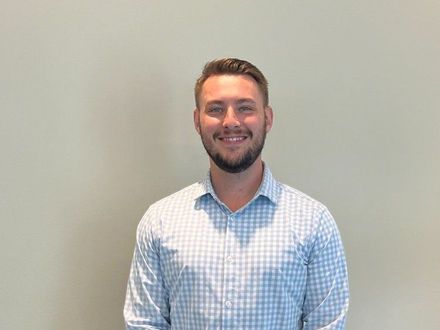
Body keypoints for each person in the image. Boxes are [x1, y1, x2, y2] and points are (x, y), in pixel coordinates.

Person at [124, 58, 349, 329]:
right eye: (216, 109)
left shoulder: (313, 222)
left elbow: (327, 325)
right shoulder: (160, 220)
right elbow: (144, 323)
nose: (231, 121)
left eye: (245, 108)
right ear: (197, 121)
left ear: (267, 118)